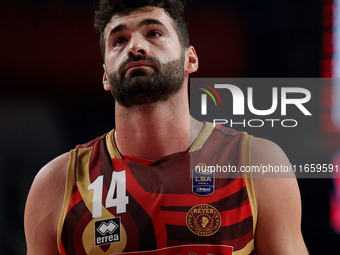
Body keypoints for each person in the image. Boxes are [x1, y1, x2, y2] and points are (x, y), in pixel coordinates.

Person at [24, 0, 309, 254]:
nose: (135, 47)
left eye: (153, 33)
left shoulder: (256, 162)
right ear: (105, 77)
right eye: (119, 40)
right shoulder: (56, 184)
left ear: (190, 59)